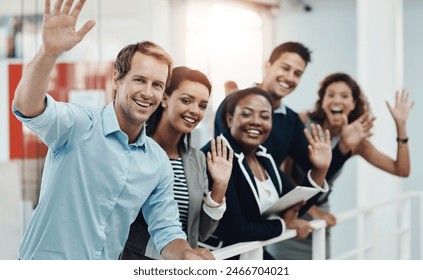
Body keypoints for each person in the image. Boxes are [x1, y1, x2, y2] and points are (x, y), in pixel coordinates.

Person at [12, 0, 211, 260]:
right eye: (139, 80)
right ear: (117, 79)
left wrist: (186, 255)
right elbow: (28, 107)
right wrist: (48, 53)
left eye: (157, 85)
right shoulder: (81, 125)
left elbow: (167, 229)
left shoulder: (156, 161)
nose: (147, 93)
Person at [269, 72, 414, 259]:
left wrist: (401, 125)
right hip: (288, 211)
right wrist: (310, 211)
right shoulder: (302, 122)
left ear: (353, 104)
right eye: (331, 95)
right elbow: (282, 172)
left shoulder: (356, 141)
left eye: (345, 96)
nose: (337, 100)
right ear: (322, 101)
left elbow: (401, 170)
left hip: (320, 215)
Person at [202, 87, 332, 259]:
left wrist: (320, 169)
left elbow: (293, 203)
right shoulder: (217, 156)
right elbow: (234, 230)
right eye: (247, 114)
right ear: (229, 119)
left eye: (264, 116)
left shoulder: (263, 155)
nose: (256, 121)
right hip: (221, 257)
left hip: (253, 253)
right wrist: (282, 225)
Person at [120, 66, 233, 259]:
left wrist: (219, 188)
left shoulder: (196, 159)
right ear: (164, 98)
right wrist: (179, 254)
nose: (194, 111)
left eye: (202, 105)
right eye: (186, 100)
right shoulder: (134, 150)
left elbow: (200, 232)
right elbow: (120, 224)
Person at [214, 42, 355, 190]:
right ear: (268, 66)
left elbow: (318, 169)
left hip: (270, 206)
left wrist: (343, 146)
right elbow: (235, 163)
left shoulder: (291, 121)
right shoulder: (233, 104)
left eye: (297, 73)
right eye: (285, 68)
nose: (289, 77)